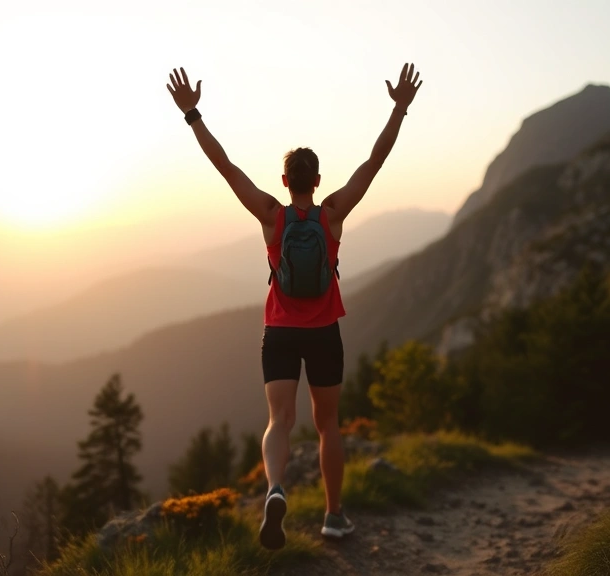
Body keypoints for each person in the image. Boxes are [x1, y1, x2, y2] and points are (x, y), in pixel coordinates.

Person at [165, 63, 422, 549]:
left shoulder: (270, 216)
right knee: (328, 426)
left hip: (279, 331)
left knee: (278, 421)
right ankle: (333, 515)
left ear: (284, 181)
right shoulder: (333, 214)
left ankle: (276, 488)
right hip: (325, 331)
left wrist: (193, 114)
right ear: (318, 179)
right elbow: (374, 163)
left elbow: (226, 168)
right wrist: (399, 108)